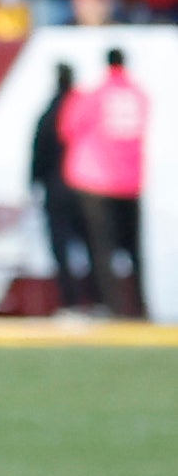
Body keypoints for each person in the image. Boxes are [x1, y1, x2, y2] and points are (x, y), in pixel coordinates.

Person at [60, 49, 149, 317]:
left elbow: (69, 128)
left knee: (102, 248)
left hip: (96, 181)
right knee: (134, 250)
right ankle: (140, 307)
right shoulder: (140, 95)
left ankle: (113, 306)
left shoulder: (94, 95)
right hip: (131, 181)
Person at [32, 64, 91, 312]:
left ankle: (71, 301)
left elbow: (39, 150)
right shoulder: (83, 108)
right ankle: (97, 299)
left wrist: (35, 180)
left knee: (62, 247)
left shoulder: (52, 111)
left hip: (58, 188)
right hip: (86, 188)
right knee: (92, 247)